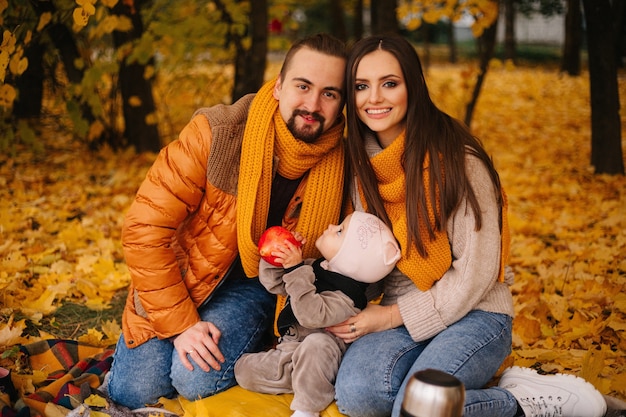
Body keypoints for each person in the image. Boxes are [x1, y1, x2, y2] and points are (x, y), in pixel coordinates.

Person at [326, 34, 607, 417]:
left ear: (413, 86)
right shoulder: (362, 167)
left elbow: (476, 274)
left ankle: (524, 403)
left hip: (477, 312)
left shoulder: (458, 160)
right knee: (359, 397)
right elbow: (372, 261)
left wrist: (391, 317)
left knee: (420, 408)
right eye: (361, 86)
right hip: (405, 309)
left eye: (389, 83)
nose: (374, 98)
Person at [106, 33, 348, 410]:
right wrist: (183, 325)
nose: (313, 105)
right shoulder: (217, 133)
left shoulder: (345, 164)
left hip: (261, 287)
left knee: (194, 378)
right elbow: (144, 229)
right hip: (185, 270)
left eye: (329, 93)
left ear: (341, 103)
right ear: (279, 88)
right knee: (132, 393)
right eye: (303, 86)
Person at [234, 212, 401, 417]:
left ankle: (307, 408)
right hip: (289, 351)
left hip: (319, 357)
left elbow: (310, 316)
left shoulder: (348, 299)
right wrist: (279, 258)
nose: (331, 226)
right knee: (242, 370)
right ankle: (300, 380)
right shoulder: (316, 267)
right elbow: (274, 283)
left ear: (349, 260)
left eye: (339, 231)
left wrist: (295, 268)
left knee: (317, 344)